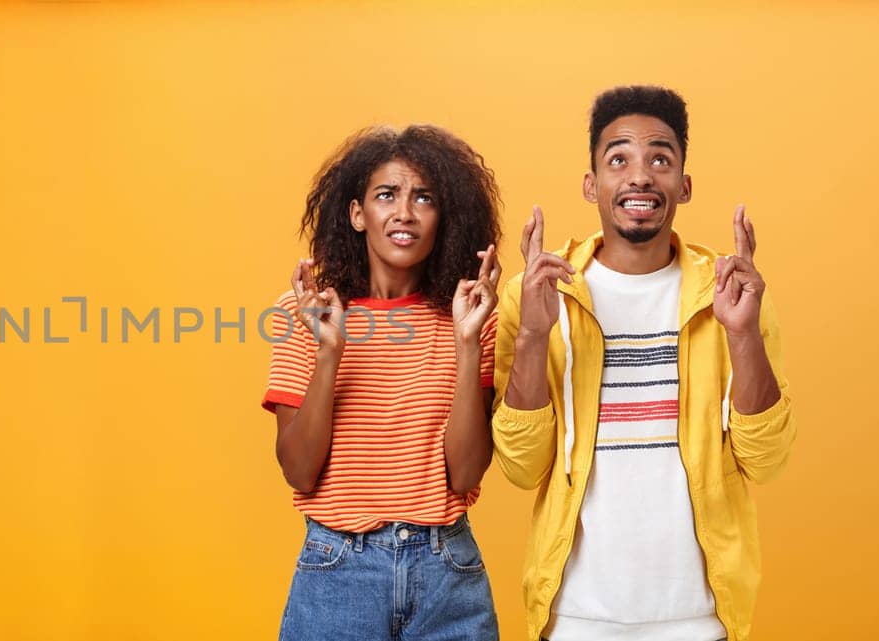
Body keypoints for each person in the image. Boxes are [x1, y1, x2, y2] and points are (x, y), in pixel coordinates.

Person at [490, 85, 796, 641]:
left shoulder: (729, 294)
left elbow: (767, 461)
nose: (639, 175)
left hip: (700, 617)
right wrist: (534, 334)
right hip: (576, 617)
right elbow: (522, 467)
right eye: (618, 159)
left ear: (683, 184)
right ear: (591, 185)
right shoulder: (536, 295)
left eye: (660, 157)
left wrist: (744, 334)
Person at [262, 123, 503, 641]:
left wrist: (466, 343)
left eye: (424, 198)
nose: (405, 213)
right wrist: (330, 353)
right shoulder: (305, 313)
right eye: (387, 195)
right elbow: (299, 472)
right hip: (339, 570)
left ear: (444, 217)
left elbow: (464, 475)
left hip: (448, 574)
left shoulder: (470, 316)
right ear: (356, 213)